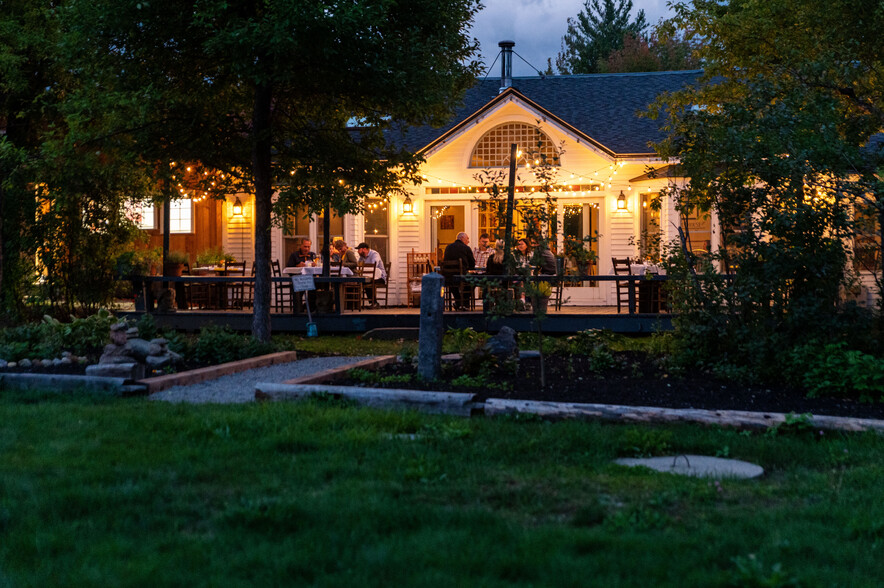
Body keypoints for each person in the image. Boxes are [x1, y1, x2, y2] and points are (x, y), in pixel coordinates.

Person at [442, 231, 476, 310]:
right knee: (474, 280)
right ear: (462, 239)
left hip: (449, 278)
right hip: (462, 277)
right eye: (467, 239)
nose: (468, 241)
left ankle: (458, 302)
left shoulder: (448, 247)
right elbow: (472, 264)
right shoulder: (466, 248)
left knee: (453, 284)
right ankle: (465, 302)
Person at [356, 242, 387, 308]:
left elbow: (374, 264)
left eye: (359, 250)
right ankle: (357, 303)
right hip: (369, 277)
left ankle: (374, 303)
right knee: (362, 281)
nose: (358, 251)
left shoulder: (374, 254)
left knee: (367, 282)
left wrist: (363, 266)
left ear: (364, 249)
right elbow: (358, 265)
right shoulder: (362, 257)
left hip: (380, 277)